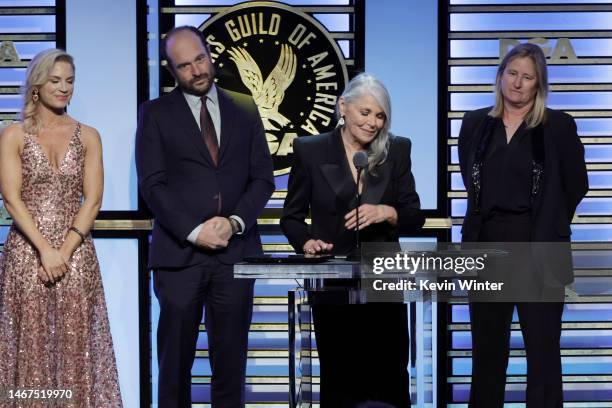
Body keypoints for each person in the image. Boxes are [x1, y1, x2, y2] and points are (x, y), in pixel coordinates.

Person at [135, 26, 274, 407]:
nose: (196, 71)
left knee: (231, 367)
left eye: (199, 59)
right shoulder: (154, 114)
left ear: (208, 53)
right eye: (184, 66)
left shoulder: (244, 107)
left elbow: (263, 178)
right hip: (179, 259)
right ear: (171, 70)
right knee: (175, 366)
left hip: (235, 255)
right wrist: (195, 231)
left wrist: (232, 223)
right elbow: (153, 185)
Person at [281, 73, 424, 408]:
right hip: (333, 285)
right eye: (365, 113)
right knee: (341, 378)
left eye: (380, 116)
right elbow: (291, 217)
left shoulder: (397, 149)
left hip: (384, 280)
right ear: (342, 107)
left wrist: (386, 212)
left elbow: (413, 214)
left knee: (389, 376)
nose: (373, 123)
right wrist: (306, 243)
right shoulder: (310, 150)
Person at [458, 43, 588, 407]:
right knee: (487, 355)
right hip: (487, 251)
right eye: (511, 74)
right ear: (499, 77)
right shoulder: (474, 123)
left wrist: (550, 224)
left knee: (543, 356)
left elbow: (577, 184)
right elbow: (473, 182)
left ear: (538, 85)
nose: (517, 83)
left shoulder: (559, 125)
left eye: (527, 77)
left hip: (539, 252)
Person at [0, 49, 122, 406]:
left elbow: (93, 200)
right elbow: (11, 199)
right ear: (36, 85)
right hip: (27, 254)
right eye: (55, 80)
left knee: (75, 349)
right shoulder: (13, 135)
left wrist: (64, 253)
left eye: (69, 81)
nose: (64, 88)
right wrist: (45, 250)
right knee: (29, 347)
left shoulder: (89, 136)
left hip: (76, 255)